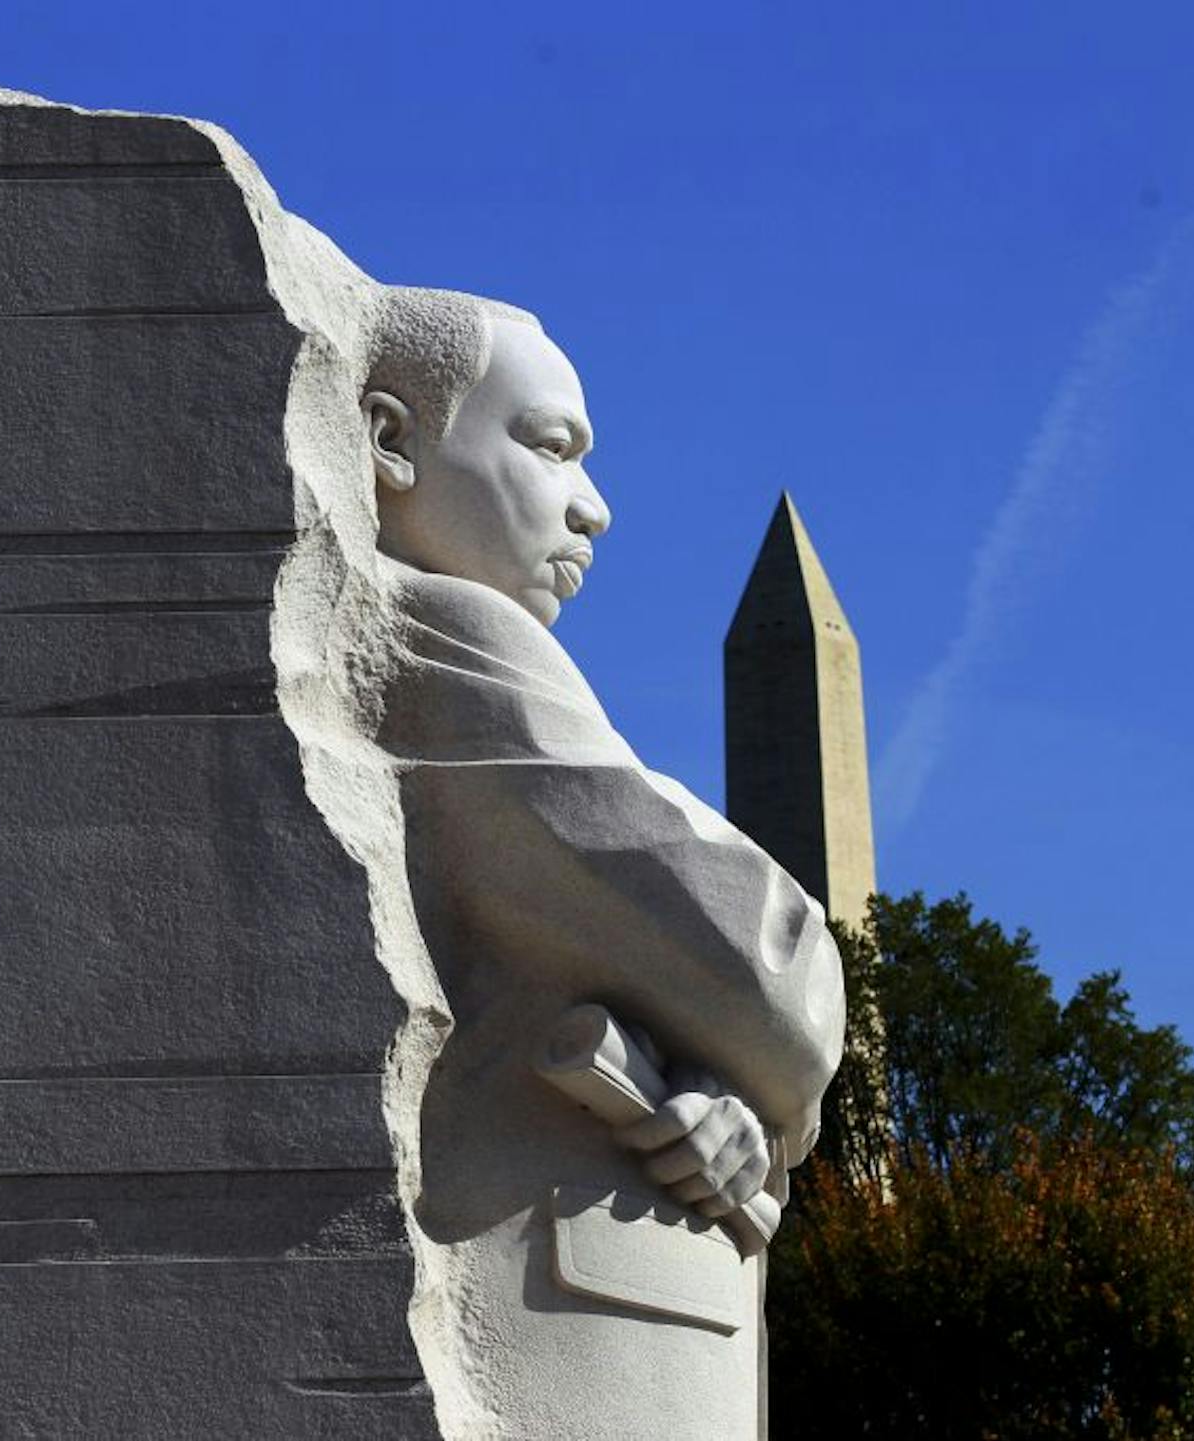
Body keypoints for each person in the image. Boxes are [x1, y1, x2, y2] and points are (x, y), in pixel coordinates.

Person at [362, 286, 844, 1437]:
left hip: (614, 1300)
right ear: (389, 443)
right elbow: (770, 970)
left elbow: (732, 1013)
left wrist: (751, 1114)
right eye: (548, 446)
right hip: (558, 1303)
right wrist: (773, 1053)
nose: (596, 511)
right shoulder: (445, 637)